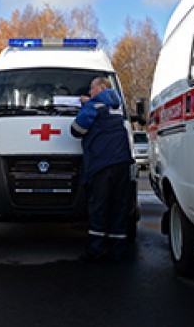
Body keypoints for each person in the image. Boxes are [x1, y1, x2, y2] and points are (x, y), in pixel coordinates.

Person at [70, 76, 134, 262]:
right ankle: (117, 250)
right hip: (122, 163)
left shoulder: (94, 106)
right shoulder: (118, 105)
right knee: (119, 207)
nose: (90, 92)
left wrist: (85, 106)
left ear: (101, 88)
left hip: (102, 165)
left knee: (99, 207)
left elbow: (76, 130)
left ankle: (95, 250)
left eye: (92, 88)